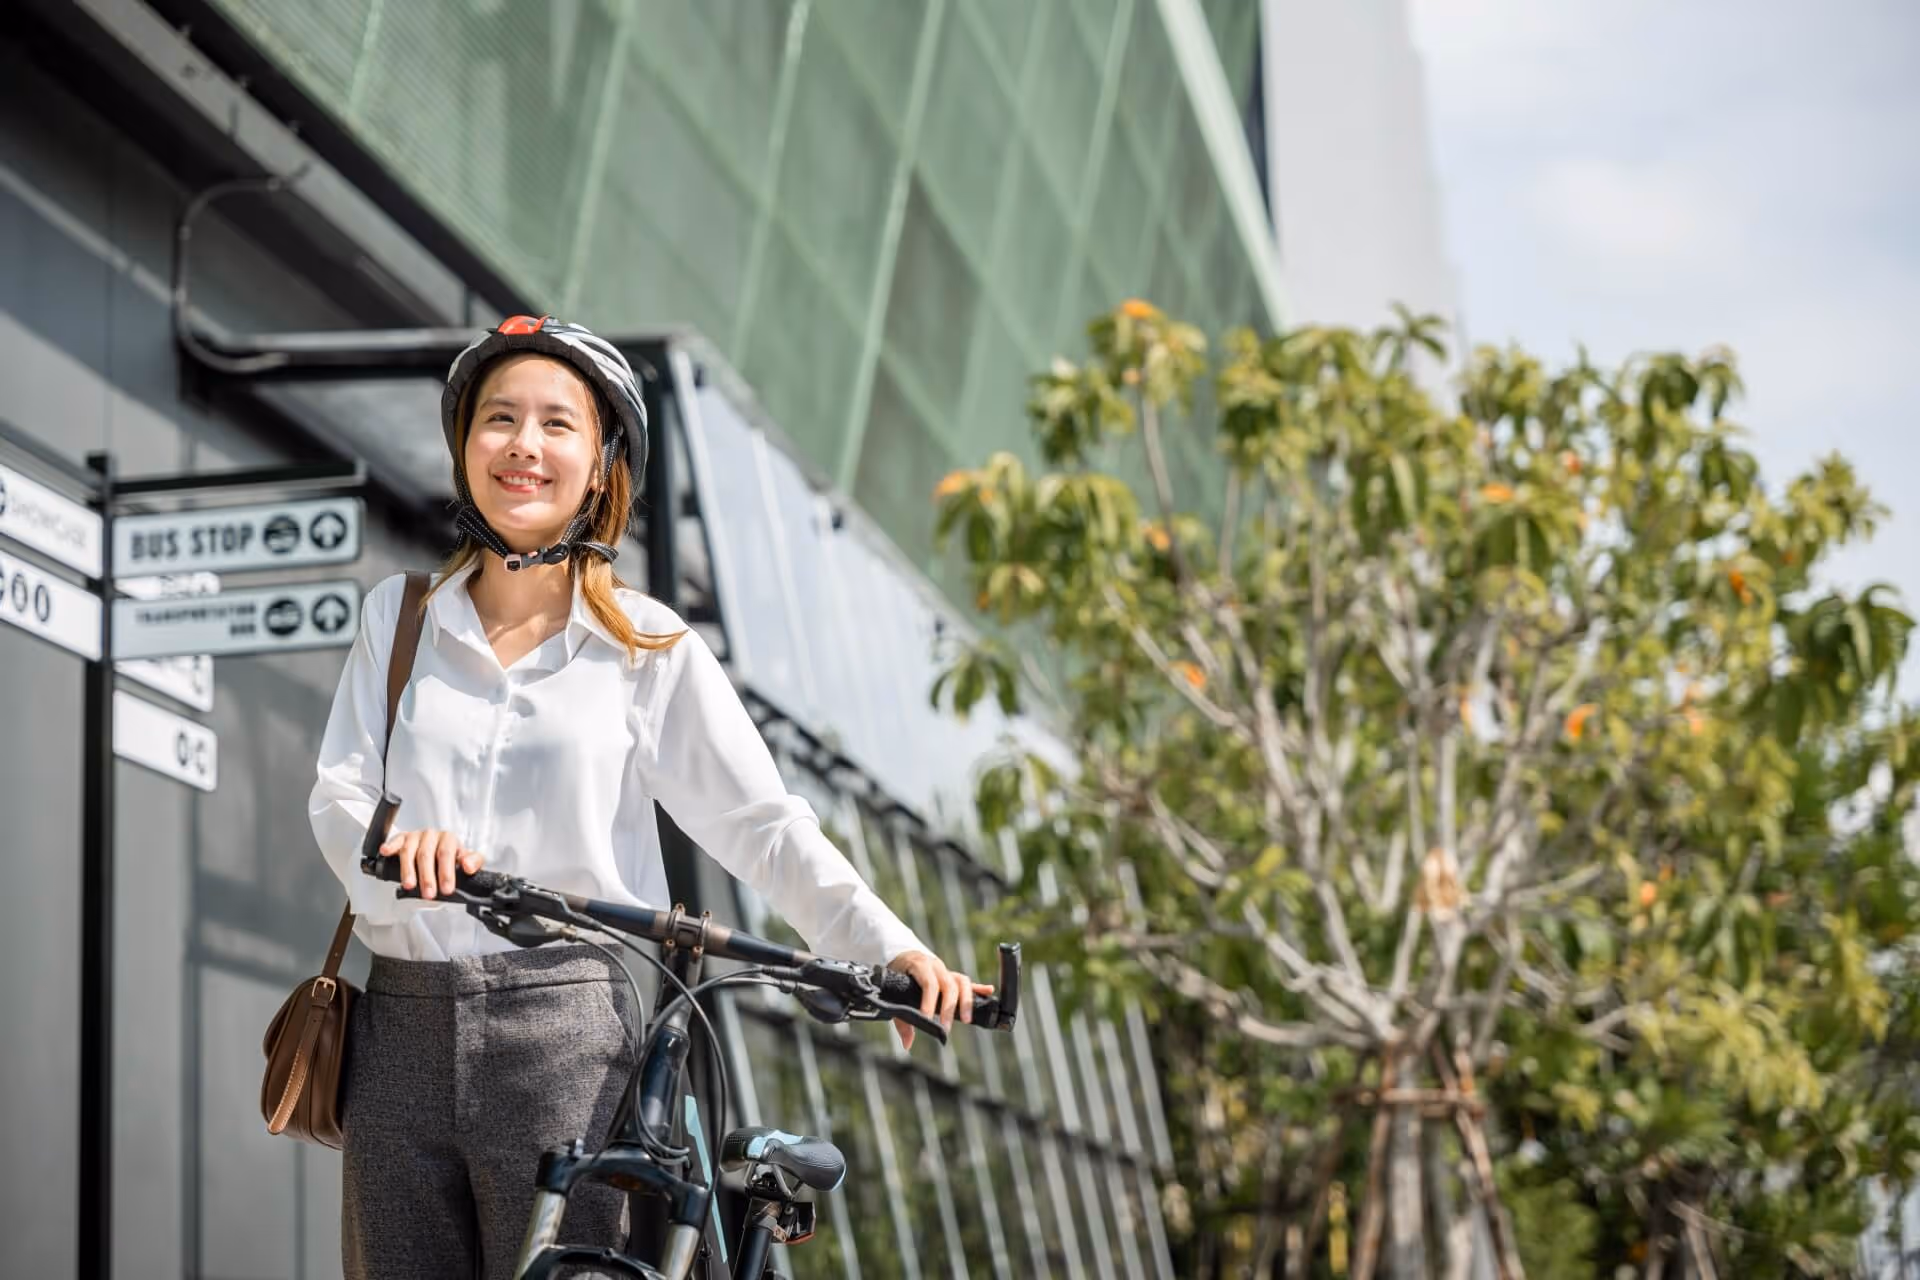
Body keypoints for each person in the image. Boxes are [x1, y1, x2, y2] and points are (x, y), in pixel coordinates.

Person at [309, 315, 986, 1278]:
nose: (524, 446)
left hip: (565, 1035)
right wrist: (396, 844)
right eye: (499, 419)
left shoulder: (645, 648)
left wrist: (889, 949)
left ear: (599, 466)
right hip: (397, 1029)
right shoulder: (401, 617)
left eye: (557, 425)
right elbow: (338, 794)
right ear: (466, 447)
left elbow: (762, 823)